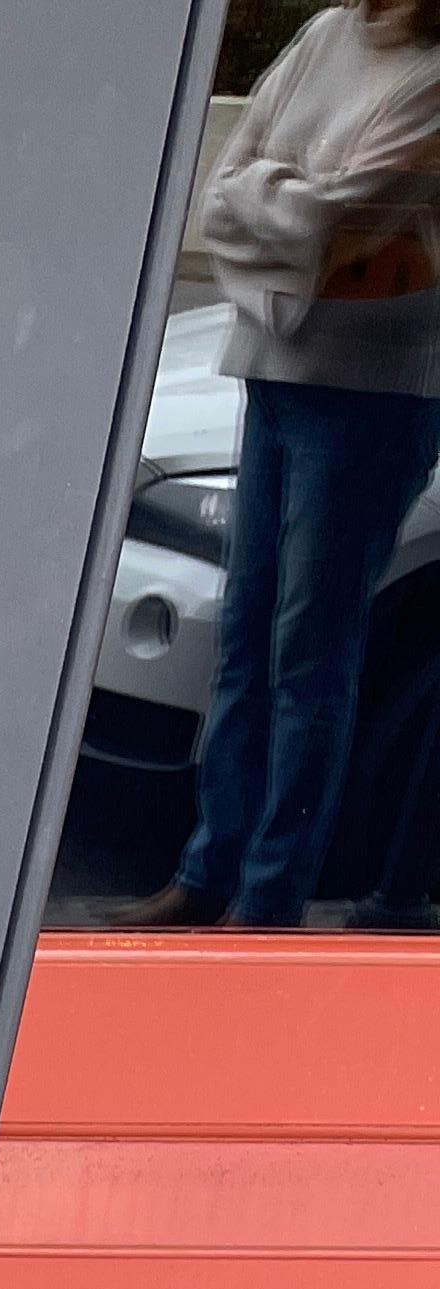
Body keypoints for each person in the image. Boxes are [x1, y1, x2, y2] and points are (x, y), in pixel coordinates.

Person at [129, 0, 440, 926]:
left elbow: (343, 221)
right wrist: (290, 207)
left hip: (376, 391)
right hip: (274, 367)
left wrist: (280, 205)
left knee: (310, 657)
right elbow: (227, 191)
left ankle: (265, 903)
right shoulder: (328, 35)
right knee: (247, 640)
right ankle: (209, 873)